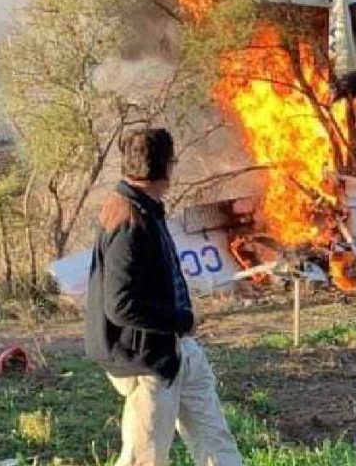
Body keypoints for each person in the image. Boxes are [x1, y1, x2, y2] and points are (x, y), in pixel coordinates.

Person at [85, 128, 243, 466]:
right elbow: (120, 306)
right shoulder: (129, 220)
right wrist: (182, 320)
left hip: (177, 350)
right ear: (166, 168)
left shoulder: (143, 208)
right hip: (147, 360)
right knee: (146, 458)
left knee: (216, 443)